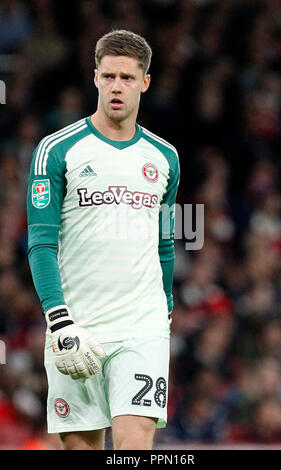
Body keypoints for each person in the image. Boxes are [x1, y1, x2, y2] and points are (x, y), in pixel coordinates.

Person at [26, 29, 180, 450]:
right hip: (77, 327)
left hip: (141, 327)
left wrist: (165, 306)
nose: (117, 86)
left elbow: (164, 244)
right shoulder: (57, 150)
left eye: (127, 78)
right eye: (109, 76)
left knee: (134, 445)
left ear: (144, 82)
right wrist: (58, 319)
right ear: (95, 78)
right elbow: (41, 243)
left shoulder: (164, 158)